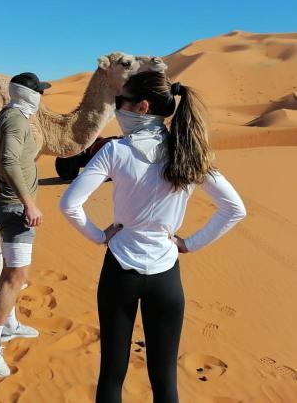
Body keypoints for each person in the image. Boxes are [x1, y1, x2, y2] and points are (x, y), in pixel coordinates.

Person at [59, 70, 246, 403]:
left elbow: (70, 204)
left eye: (122, 102)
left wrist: (99, 236)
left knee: (112, 375)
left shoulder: (115, 151)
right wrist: (190, 243)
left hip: (119, 271)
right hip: (166, 279)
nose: (118, 109)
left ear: (142, 107)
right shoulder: (190, 154)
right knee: (165, 381)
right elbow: (234, 209)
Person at [0, 72, 51, 377]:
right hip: (16, 207)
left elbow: (18, 154)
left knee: (17, 272)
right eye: (39, 91)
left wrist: (30, 134)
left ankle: (11, 324)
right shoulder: (15, 120)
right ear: (28, 94)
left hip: (14, 206)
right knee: (15, 276)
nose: (41, 95)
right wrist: (29, 203)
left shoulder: (12, 116)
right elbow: (7, 162)